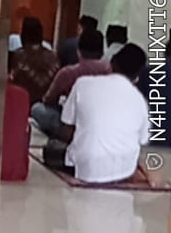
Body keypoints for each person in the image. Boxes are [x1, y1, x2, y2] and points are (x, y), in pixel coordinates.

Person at [43, 43, 150, 184]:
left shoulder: (83, 83)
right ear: (137, 77)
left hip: (86, 168)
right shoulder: (140, 101)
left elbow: (66, 131)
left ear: (111, 63)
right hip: (125, 170)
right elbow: (142, 141)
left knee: (50, 150)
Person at [31, 26, 110, 139]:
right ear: (102, 52)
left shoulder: (68, 73)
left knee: (37, 109)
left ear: (78, 51)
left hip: (73, 127)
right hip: (103, 125)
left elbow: (48, 99)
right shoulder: (110, 71)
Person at [9, 15, 58, 105]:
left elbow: (13, 80)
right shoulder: (53, 57)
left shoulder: (19, 56)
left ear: (24, 34)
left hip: (22, 103)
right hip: (47, 105)